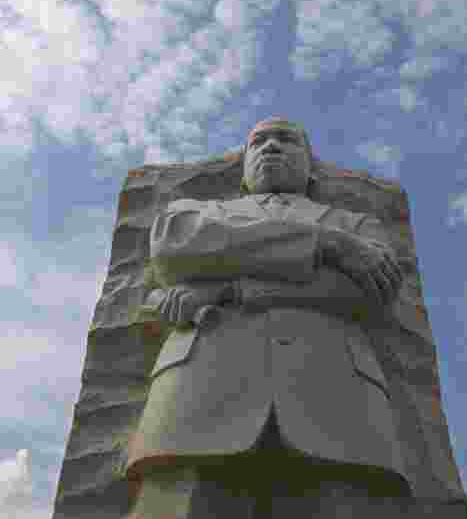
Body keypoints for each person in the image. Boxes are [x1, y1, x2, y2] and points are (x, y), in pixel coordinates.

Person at [125, 117, 415, 518]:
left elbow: (363, 293)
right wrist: (325, 243)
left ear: (311, 167)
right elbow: (177, 251)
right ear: (243, 167)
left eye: (286, 140)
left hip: (339, 401)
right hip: (197, 397)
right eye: (259, 141)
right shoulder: (195, 214)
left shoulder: (359, 224)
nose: (271, 147)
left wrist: (230, 289)